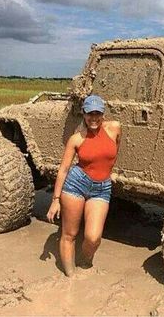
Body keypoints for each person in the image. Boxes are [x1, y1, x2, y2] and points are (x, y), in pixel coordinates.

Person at [46, 94, 121, 277]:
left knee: (93, 238)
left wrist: (109, 172)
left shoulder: (115, 128)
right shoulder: (76, 139)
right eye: (89, 114)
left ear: (103, 114)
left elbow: (115, 150)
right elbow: (63, 169)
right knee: (69, 234)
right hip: (76, 185)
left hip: (102, 188)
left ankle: (84, 263)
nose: (93, 118)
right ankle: (70, 277)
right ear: (83, 114)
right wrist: (55, 200)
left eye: (97, 113)